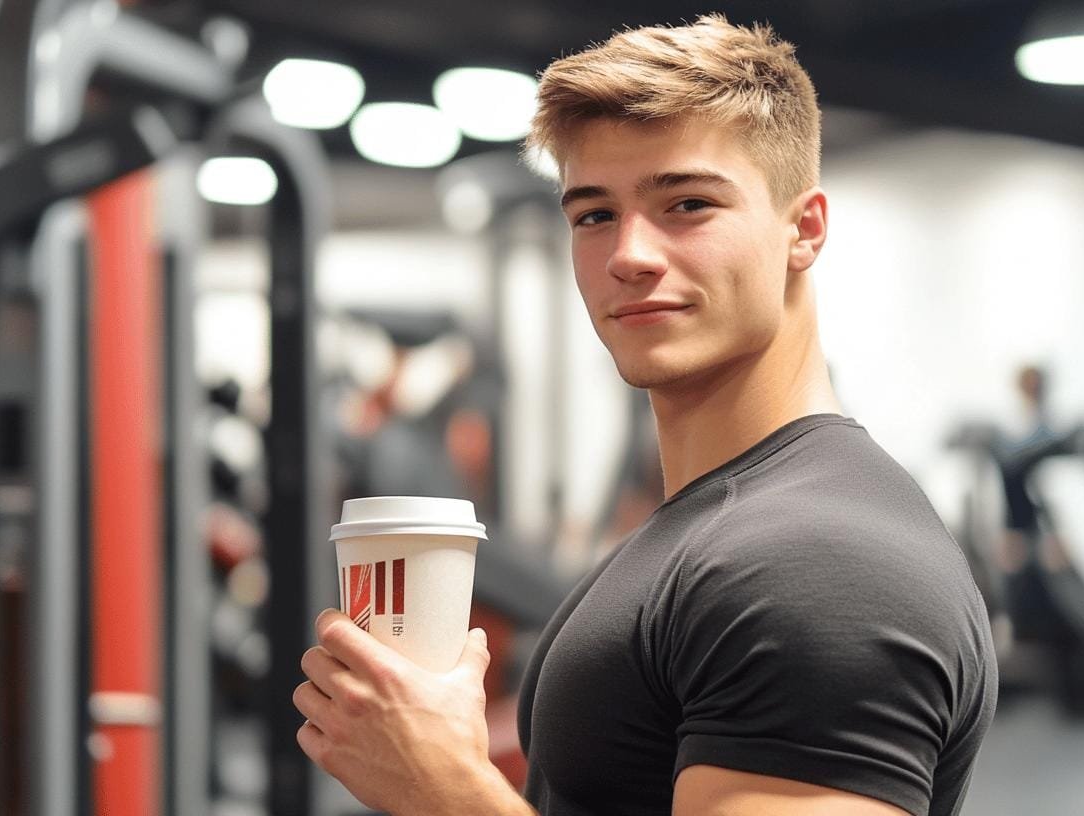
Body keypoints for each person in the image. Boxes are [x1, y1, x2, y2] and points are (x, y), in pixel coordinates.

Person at [293, 15, 997, 816]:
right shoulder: (721, 529)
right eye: (594, 214)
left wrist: (445, 789)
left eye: (688, 204)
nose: (628, 254)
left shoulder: (818, 567)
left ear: (804, 229)